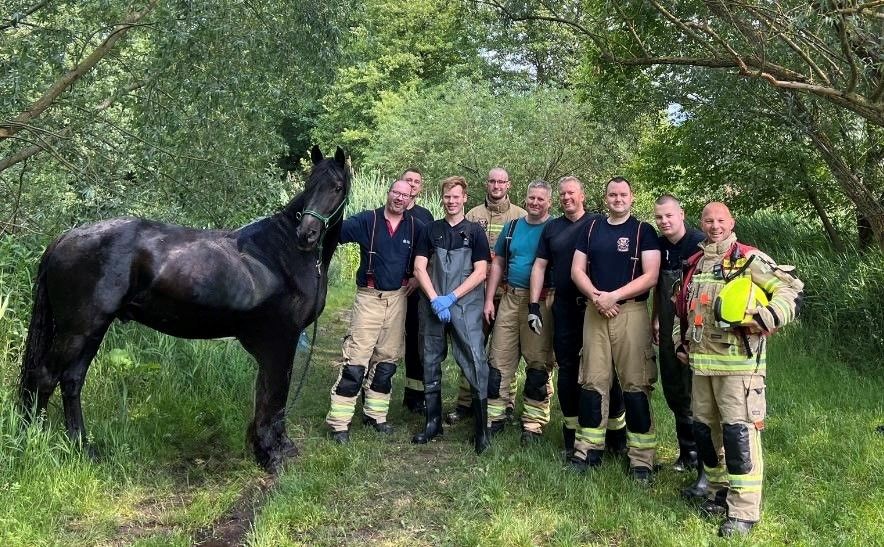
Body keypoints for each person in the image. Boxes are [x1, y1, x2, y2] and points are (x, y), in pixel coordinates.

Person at [674, 202, 803, 537]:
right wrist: (679, 343)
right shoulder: (697, 262)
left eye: (721, 220)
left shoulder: (749, 259)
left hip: (739, 370)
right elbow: (682, 308)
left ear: (731, 223)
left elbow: (791, 290)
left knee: (739, 436)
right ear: (701, 223)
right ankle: (719, 494)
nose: (714, 226)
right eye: (708, 220)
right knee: (706, 434)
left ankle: (744, 511)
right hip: (702, 368)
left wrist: (766, 318)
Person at [529, 176, 627, 458]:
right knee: (568, 370)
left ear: (582, 195)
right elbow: (539, 266)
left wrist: (610, 297)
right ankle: (571, 436)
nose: (566, 198)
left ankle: (616, 437)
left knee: (605, 371)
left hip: (596, 308)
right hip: (564, 308)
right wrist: (534, 305)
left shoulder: (598, 224)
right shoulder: (552, 228)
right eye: (562, 194)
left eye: (571, 193)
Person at [570, 177, 661, 481]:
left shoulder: (643, 231)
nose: (617, 199)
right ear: (605, 197)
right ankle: (587, 451)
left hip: (630, 312)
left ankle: (641, 460)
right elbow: (577, 270)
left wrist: (614, 296)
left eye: (623, 194)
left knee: (636, 385)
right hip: (595, 310)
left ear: (632, 197)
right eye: (612, 194)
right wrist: (597, 297)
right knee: (592, 381)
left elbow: (651, 276)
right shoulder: (591, 228)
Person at [326, 179, 420, 443]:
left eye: (405, 195)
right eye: (396, 192)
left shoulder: (416, 227)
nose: (399, 198)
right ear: (388, 193)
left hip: (398, 299)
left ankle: (375, 415)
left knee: (387, 362)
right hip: (369, 298)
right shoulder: (367, 220)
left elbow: (427, 258)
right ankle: (339, 423)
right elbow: (332, 233)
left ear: (411, 199)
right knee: (356, 361)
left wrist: (416, 277)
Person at [412, 176, 492, 453]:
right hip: (433, 304)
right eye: (447, 196)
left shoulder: (475, 232)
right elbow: (419, 268)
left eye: (456, 196)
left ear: (465, 198)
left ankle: (481, 431)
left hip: (465, 305)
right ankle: (432, 423)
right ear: (442, 198)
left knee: (475, 359)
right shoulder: (430, 230)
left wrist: (452, 298)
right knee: (429, 358)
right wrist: (435, 299)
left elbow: (481, 272)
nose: (451, 201)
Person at [446, 167, 526, 424]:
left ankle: (506, 402)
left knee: (506, 353)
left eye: (501, 181)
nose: (496, 186)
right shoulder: (473, 215)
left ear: (508, 185)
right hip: (475, 295)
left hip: (508, 294)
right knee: (471, 347)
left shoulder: (520, 216)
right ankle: (466, 402)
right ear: (486, 184)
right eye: (492, 181)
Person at [484, 180, 554, 443]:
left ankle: (533, 423)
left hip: (541, 303)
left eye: (540, 199)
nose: (535, 202)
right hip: (510, 299)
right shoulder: (512, 227)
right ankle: (495, 415)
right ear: (525, 198)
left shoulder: (554, 229)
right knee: (498, 359)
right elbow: (498, 263)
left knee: (538, 363)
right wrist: (489, 299)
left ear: (549, 202)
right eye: (531, 198)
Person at [652, 195, 706, 489]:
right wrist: (655, 318)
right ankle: (687, 454)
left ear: (681, 214)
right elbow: (657, 288)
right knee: (673, 387)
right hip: (666, 326)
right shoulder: (658, 246)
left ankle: (705, 458)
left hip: (694, 329)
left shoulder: (699, 244)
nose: (664, 221)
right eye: (659, 217)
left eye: (669, 216)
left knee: (696, 391)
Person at [400, 168, 434, 414]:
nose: (411, 185)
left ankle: (414, 395)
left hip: (415, 289)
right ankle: (373, 390)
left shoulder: (425, 216)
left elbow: (430, 251)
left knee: (415, 340)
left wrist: (416, 278)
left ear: (420, 188)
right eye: (408, 180)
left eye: (416, 182)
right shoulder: (389, 211)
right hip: (389, 287)